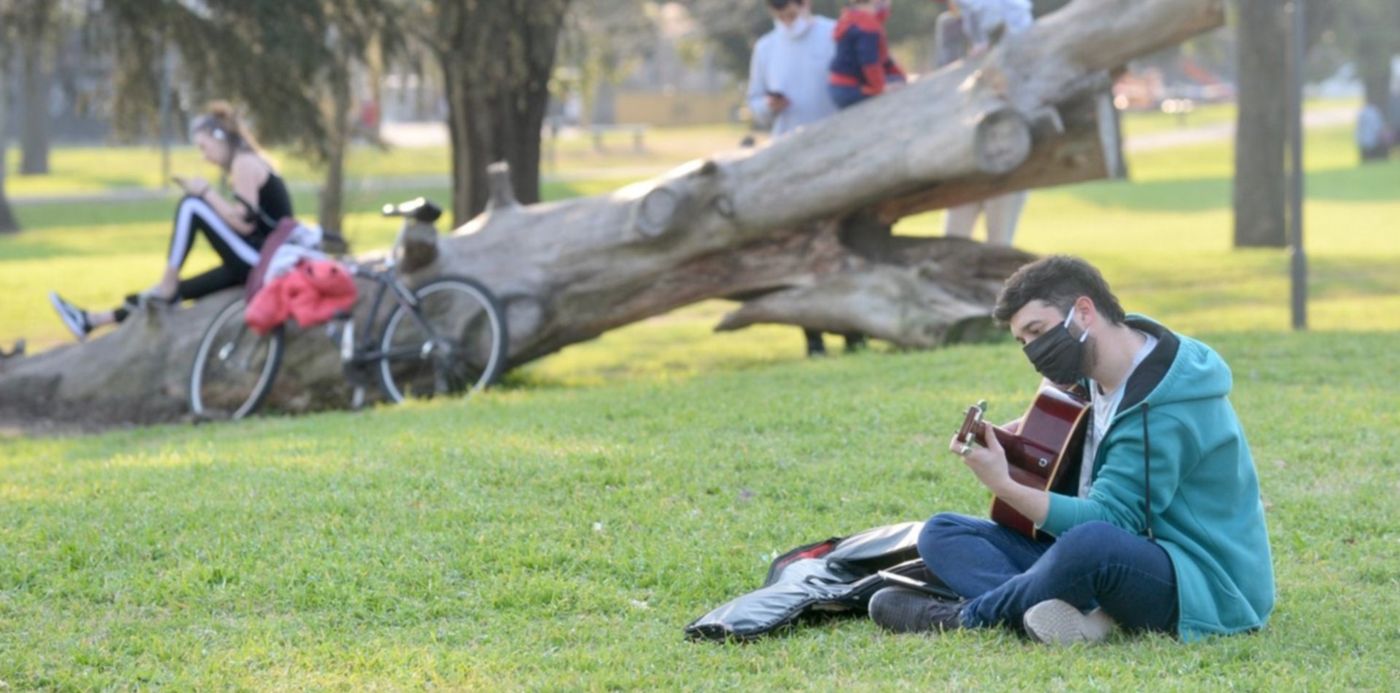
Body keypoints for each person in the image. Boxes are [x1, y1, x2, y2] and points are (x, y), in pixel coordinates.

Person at [867, 255, 1275, 644]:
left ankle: (966, 617)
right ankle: (1055, 605)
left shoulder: (1164, 409)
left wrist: (1004, 485)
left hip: (1198, 579)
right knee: (943, 531)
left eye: (1038, 331)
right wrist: (1020, 437)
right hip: (1105, 553)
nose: (1033, 350)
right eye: (1023, 341)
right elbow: (1070, 434)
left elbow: (1112, 520)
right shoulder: (1094, 368)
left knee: (1090, 544)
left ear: (1083, 312)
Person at [49, 102, 294, 341]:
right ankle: (92, 320)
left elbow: (245, 223)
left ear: (218, 136)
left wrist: (205, 192)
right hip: (257, 257)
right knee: (176, 292)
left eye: (204, 147)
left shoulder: (244, 162)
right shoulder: (246, 161)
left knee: (192, 205)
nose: (204, 157)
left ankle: (167, 280)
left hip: (264, 260)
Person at [746, 0, 862, 356]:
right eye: (780, 17)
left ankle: (854, 331)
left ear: (805, 4)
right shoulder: (766, 47)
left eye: (792, 14)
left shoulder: (833, 35)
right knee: (803, 252)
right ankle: (813, 337)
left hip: (836, 154)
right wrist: (768, 106)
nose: (787, 22)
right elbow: (754, 103)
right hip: (790, 162)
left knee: (846, 245)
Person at [936, 0, 1033, 246]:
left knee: (999, 243)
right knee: (954, 240)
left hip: (1006, 151)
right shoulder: (951, 25)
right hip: (964, 154)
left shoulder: (1001, 16)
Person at [828, 0, 906, 109]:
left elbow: (884, 60)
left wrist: (900, 75)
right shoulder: (867, 25)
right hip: (852, 88)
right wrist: (882, 88)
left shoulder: (850, 18)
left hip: (837, 87)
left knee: (896, 79)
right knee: (897, 83)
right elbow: (869, 62)